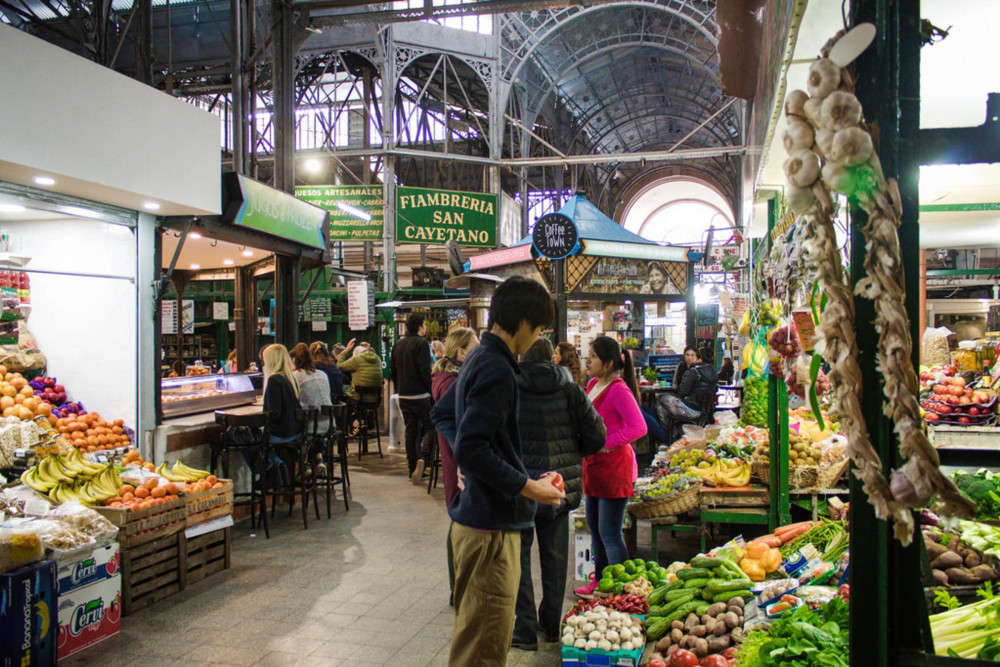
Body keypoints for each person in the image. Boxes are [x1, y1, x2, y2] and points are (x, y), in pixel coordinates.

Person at [430, 276, 565, 667]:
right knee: (484, 647)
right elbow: (473, 447)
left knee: (477, 636)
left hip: (477, 521)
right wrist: (528, 487)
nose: (536, 336)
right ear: (523, 322)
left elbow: (451, 422)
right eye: (538, 328)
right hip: (490, 531)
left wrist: (471, 467)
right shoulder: (498, 368)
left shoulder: (478, 358)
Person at [512, 338, 606, 651]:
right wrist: (575, 452)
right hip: (557, 486)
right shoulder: (568, 386)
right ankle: (550, 626)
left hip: (521, 485)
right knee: (554, 559)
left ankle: (524, 631)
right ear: (552, 356)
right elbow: (597, 434)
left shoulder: (510, 385)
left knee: (520, 560)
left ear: (523, 354)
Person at [575, 336, 647, 598]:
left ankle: (620, 588)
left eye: (592, 356)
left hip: (615, 469)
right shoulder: (593, 383)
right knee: (595, 530)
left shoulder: (618, 389)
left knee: (610, 533)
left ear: (607, 363)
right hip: (594, 468)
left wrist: (606, 443)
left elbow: (639, 427)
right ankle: (601, 582)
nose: (587, 360)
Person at [430, 326, 479, 606]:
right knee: (459, 522)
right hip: (458, 462)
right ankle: (457, 589)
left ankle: (460, 587)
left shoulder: (449, 376)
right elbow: (450, 419)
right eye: (475, 345)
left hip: (457, 459)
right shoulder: (451, 382)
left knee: (459, 521)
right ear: (461, 352)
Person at [391, 313, 436, 483]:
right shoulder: (421, 344)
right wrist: (431, 391)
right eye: (424, 324)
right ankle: (424, 459)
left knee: (411, 431)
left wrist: (399, 389)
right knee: (431, 427)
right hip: (421, 395)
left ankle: (412, 469)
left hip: (404, 395)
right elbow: (425, 371)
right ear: (419, 326)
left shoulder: (398, 344)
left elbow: (393, 371)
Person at [656, 347, 719, 428]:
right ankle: (672, 431)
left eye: (694, 356)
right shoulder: (713, 371)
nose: (691, 358)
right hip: (705, 411)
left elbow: (683, 393)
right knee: (666, 407)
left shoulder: (695, 371)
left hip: (691, 409)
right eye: (688, 355)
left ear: (699, 358)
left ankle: (667, 433)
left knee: (660, 400)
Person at [290, 343, 332, 410]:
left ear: (294, 360)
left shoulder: (294, 376)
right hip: (330, 419)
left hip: (309, 418)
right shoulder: (323, 374)